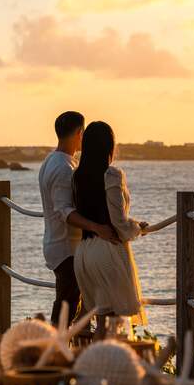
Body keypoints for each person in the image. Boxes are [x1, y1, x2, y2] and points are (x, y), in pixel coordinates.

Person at [38, 112, 118, 326]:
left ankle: (67, 349)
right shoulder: (64, 168)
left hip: (57, 243)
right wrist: (97, 227)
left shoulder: (51, 160)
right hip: (66, 248)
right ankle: (55, 351)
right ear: (79, 133)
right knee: (66, 307)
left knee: (75, 305)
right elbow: (65, 211)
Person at [72, 121, 149, 334]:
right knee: (110, 327)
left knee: (101, 322)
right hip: (107, 251)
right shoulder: (112, 174)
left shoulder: (78, 176)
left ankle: (84, 362)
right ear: (109, 146)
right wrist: (137, 228)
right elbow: (118, 222)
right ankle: (99, 365)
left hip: (84, 251)